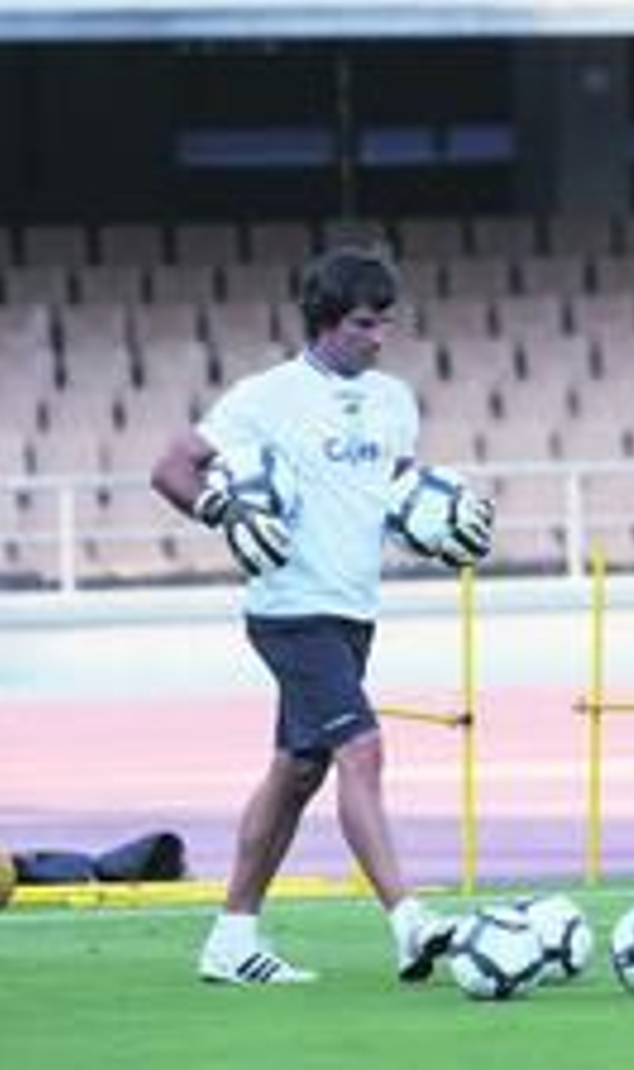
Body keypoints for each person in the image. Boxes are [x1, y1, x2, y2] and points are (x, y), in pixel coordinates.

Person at [151, 246, 494, 985]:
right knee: (361, 750)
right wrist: (221, 508)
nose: (380, 338)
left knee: (295, 772)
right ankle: (409, 922)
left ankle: (231, 939)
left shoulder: (395, 400)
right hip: (289, 609)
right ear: (327, 325)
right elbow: (172, 468)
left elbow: (399, 497)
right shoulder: (265, 398)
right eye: (366, 324)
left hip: (352, 611)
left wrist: (444, 526)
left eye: (386, 324)